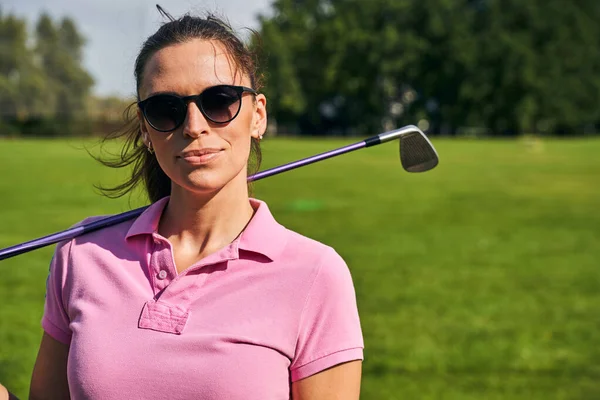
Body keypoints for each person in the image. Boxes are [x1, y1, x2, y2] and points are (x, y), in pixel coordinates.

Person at [14, 10, 364, 400]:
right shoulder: (82, 253)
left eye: (219, 101)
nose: (194, 126)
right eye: (167, 109)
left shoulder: (316, 274)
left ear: (257, 116)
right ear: (146, 129)